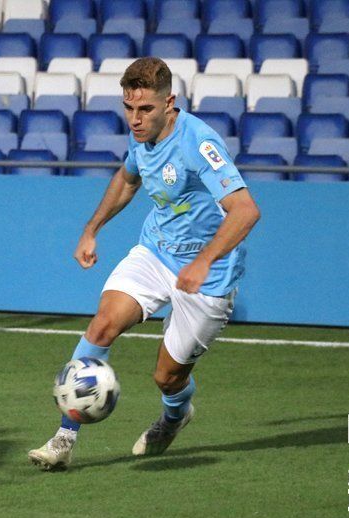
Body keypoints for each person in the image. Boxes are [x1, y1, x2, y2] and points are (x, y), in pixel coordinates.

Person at [28, 58, 261, 471]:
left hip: (208, 276)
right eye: (128, 108)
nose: (135, 120)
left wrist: (204, 261)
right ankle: (64, 437)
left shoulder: (198, 143)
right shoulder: (142, 136)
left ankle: (175, 416)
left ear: (170, 102)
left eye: (145, 110)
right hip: (156, 252)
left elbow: (245, 210)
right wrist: (91, 228)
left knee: (167, 378)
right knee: (103, 323)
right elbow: (127, 178)